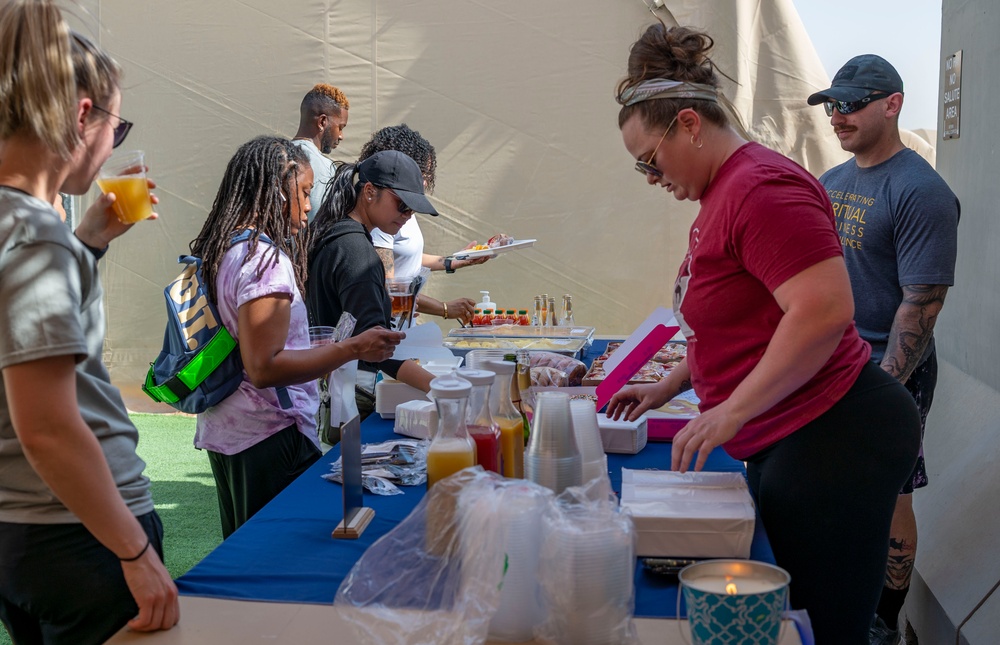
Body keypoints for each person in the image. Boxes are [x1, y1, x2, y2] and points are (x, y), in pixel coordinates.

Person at [605, 25, 920, 644]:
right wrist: (667, 387)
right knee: (789, 612)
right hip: (796, 433)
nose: (649, 176)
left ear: (690, 125)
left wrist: (732, 412)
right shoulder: (722, 193)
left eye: (649, 159)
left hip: (835, 430)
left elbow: (824, 312)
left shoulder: (760, 188)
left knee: (817, 626)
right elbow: (746, 324)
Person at [0, 1, 179, 641]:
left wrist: (87, 240)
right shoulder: (34, 237)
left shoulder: (24, 231)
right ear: (83, 116)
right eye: (116, 128)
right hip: (81, 532)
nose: (111, 147)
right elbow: (47, 425)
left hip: (23, 531)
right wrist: (133, 551)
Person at [807, 54, 960, 644]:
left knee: (890, 496)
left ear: (891, 104)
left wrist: (880, 389)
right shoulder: (831, 182)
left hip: (891, 370)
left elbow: (921, 304)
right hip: (831, 363)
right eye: (831, 106)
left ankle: (884, 624)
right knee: (832, 493)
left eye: (851, 105)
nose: (837, 117)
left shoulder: (922, 191)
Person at [190, 136, 403, 538]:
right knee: (272, 554)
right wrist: (353, 347)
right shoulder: (264, 260)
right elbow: (265, 367)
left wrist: (318, 351)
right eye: (303, 192)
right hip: (269, 433)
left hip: (229, 426)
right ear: (275, 190)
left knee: (245, 550)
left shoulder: (226, 248)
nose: (308, 205)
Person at [306, 150, 438, 423]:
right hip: (356, 399)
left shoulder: (336, 234)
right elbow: (377, 347)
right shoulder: (359, 255)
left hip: (333, 392)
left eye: (412, 209)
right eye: (402, 204)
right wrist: (441, 387)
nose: (408, 215)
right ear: (368, 192)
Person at [362, 124, 490, 325]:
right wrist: (445, 308)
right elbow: (391, 288)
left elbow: (405, 254)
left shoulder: (401, 210)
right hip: (389, 327)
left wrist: (453, 261)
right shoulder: (384, 217)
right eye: (421, 173)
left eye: (427, 175)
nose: (424, 182)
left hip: (402, 325)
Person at [291, 83, 349, 219]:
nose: (341, 136)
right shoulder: (324, 167)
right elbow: (320, 223)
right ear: (322, 122)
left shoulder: (276, 154)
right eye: (340, 127)